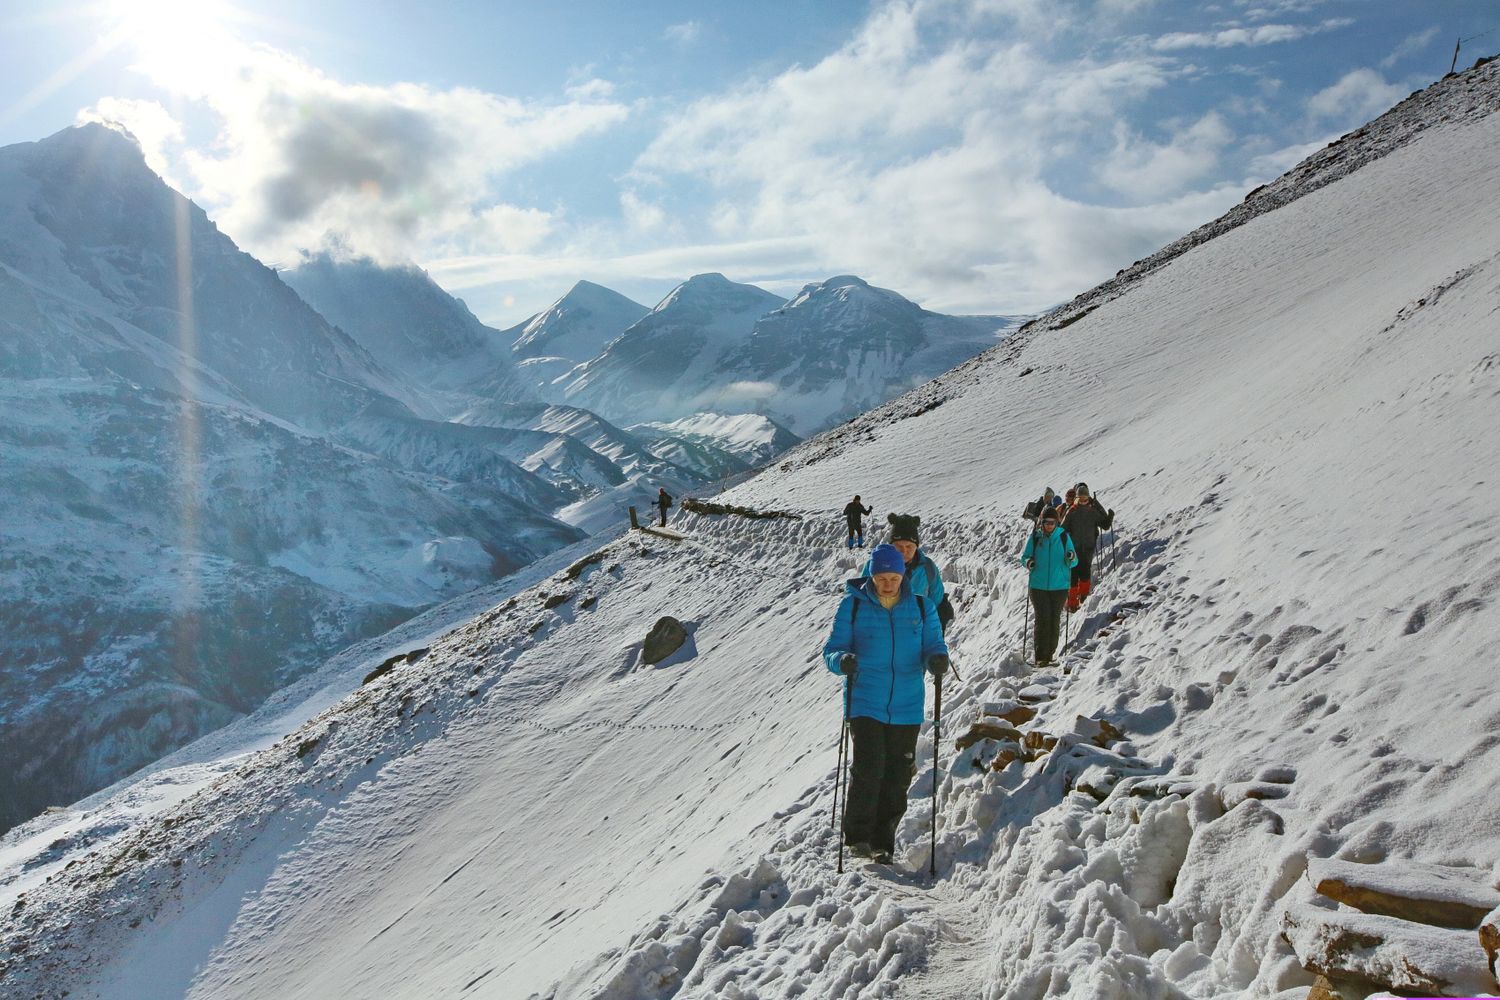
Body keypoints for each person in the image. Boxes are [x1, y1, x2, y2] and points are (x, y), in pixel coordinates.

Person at [824, 543, 949, 864]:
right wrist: (842, 660)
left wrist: (937, 659)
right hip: (865, 699)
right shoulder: (853, 605)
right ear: (872, 576)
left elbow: (934, 644)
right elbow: (832, 649)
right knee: (869, 768)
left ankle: (883, 842)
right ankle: (858, 837)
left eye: (893, 577)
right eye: (881, 578)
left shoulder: (921, 607)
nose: (888, 584)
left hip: (907, 703)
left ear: (903, 575)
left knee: (897, 774)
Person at [863, 514, 954, 631]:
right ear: (891, 545)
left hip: (917, 633)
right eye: (899, 546)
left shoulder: (927, 567)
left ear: (916, 546)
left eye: (909, 546)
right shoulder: (875, 565)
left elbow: (936, 602)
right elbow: (860, 599)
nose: (904, 551)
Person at [1020, 506, 1077, 666]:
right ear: (1042, 522)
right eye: (1046, 522)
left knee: (1054, 619)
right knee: (1042, 618)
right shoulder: (1036, 537)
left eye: (1052, 522)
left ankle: (1050, 652)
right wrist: (1029, 562)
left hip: (1059, 587)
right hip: (1038, 586)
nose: (1049, 525)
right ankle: (1040, 656)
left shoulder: (1064, 537)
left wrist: (1071, 557)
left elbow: (1074, 561)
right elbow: (1024, 557)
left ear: (1057, 523)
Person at [1061, 482, 1114, 612]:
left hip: (1087, 547)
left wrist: (1110, 516)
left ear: (1088, 497)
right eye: (1081, 498)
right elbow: (1062, 529)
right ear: (1077, 498)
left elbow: (1105, 525)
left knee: (1084, 573)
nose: (1083, 500)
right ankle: (1072, 603)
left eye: (1085, 498)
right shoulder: (1072, 511)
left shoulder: (1092, 511)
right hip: (1074, 548)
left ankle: (1083, 598)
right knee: (1074, 575)